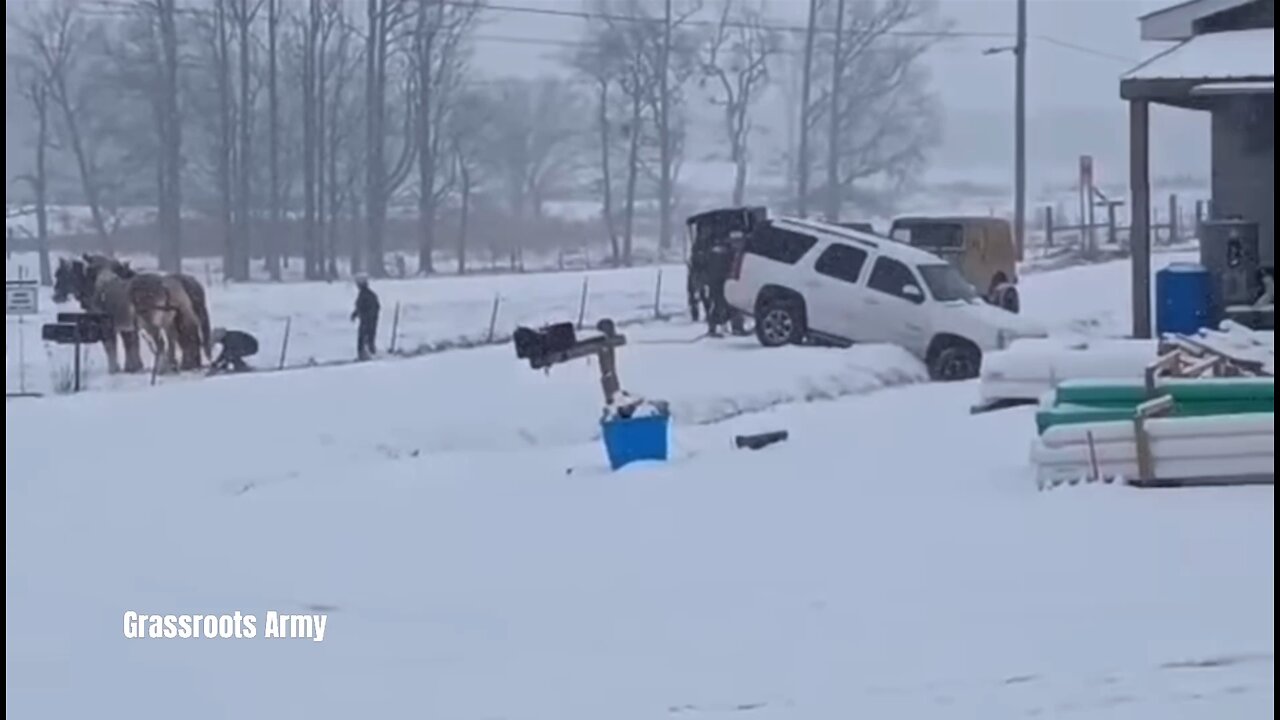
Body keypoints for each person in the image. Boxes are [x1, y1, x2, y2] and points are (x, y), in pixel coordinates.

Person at [351, 274, 381, 360]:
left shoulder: (368, 295)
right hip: (365, 321)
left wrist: (367, 318)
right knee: (363, 340)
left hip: (368, 322)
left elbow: (374, 308)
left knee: (367, 339)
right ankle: (363, 356)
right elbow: (360, 307)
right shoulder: (363, 294)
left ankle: (368, 356)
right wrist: (355, 314)